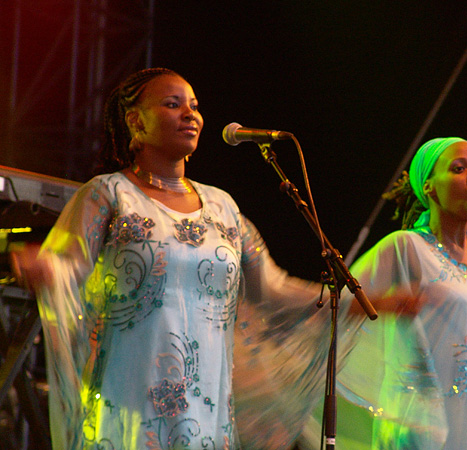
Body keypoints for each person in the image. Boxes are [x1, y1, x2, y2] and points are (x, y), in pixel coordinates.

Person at [10, 67, 337, 450]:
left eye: (194, 106)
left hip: (206, 414)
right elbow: (71, 265)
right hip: (130, 407)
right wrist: (46, 268)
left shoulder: (223, 207)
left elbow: (271, 287)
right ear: (135, 121)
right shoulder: (109, 195)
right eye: (172, 104)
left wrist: (346, 299)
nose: (190, 114)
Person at [299, 137, 467, 450]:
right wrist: (381, 304)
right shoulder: (405, 247)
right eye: (459, 168)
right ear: (428, 186)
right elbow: (335, 306)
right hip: (421, 430)